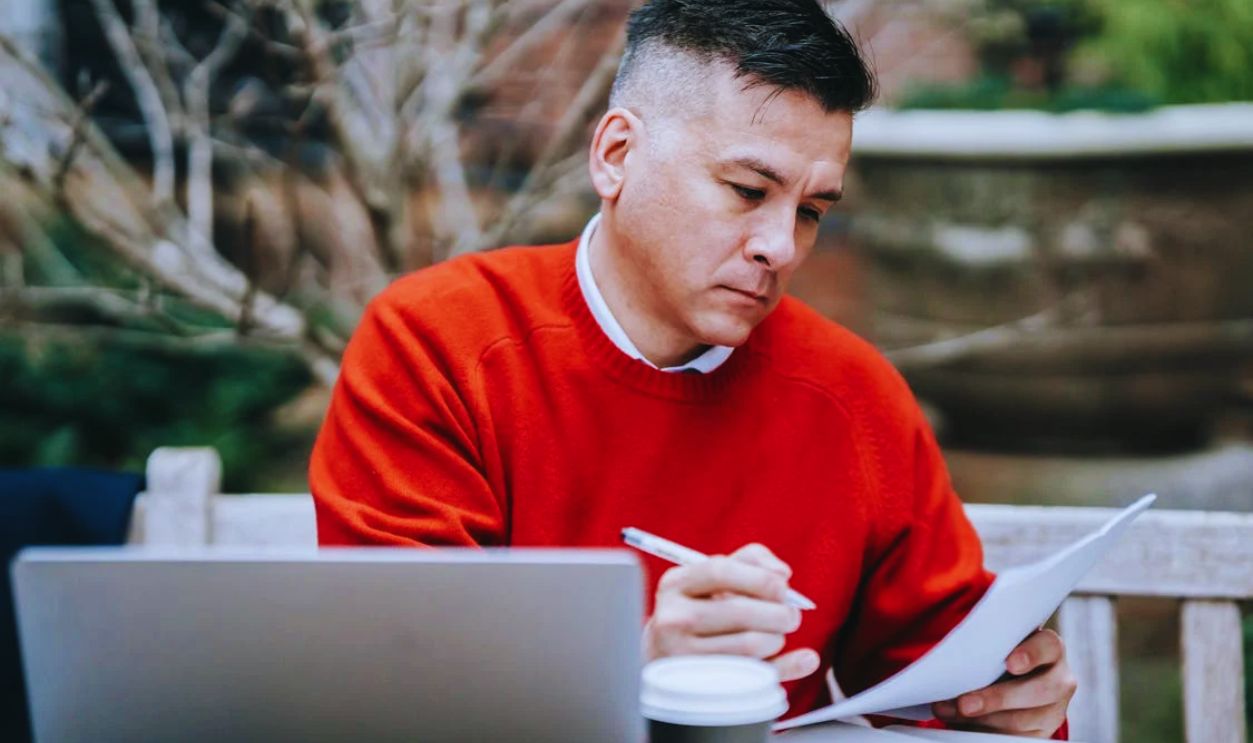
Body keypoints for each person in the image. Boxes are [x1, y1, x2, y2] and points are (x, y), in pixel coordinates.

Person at [309, 0, 1075, 736]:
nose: (780, 246)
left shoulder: (852, 395)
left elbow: (941, 678)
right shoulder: (439, 344)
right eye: (747, 190)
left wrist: (1006, 699)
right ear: (617, 155)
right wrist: (628, 674)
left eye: (811, 210)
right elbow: (400, 680)